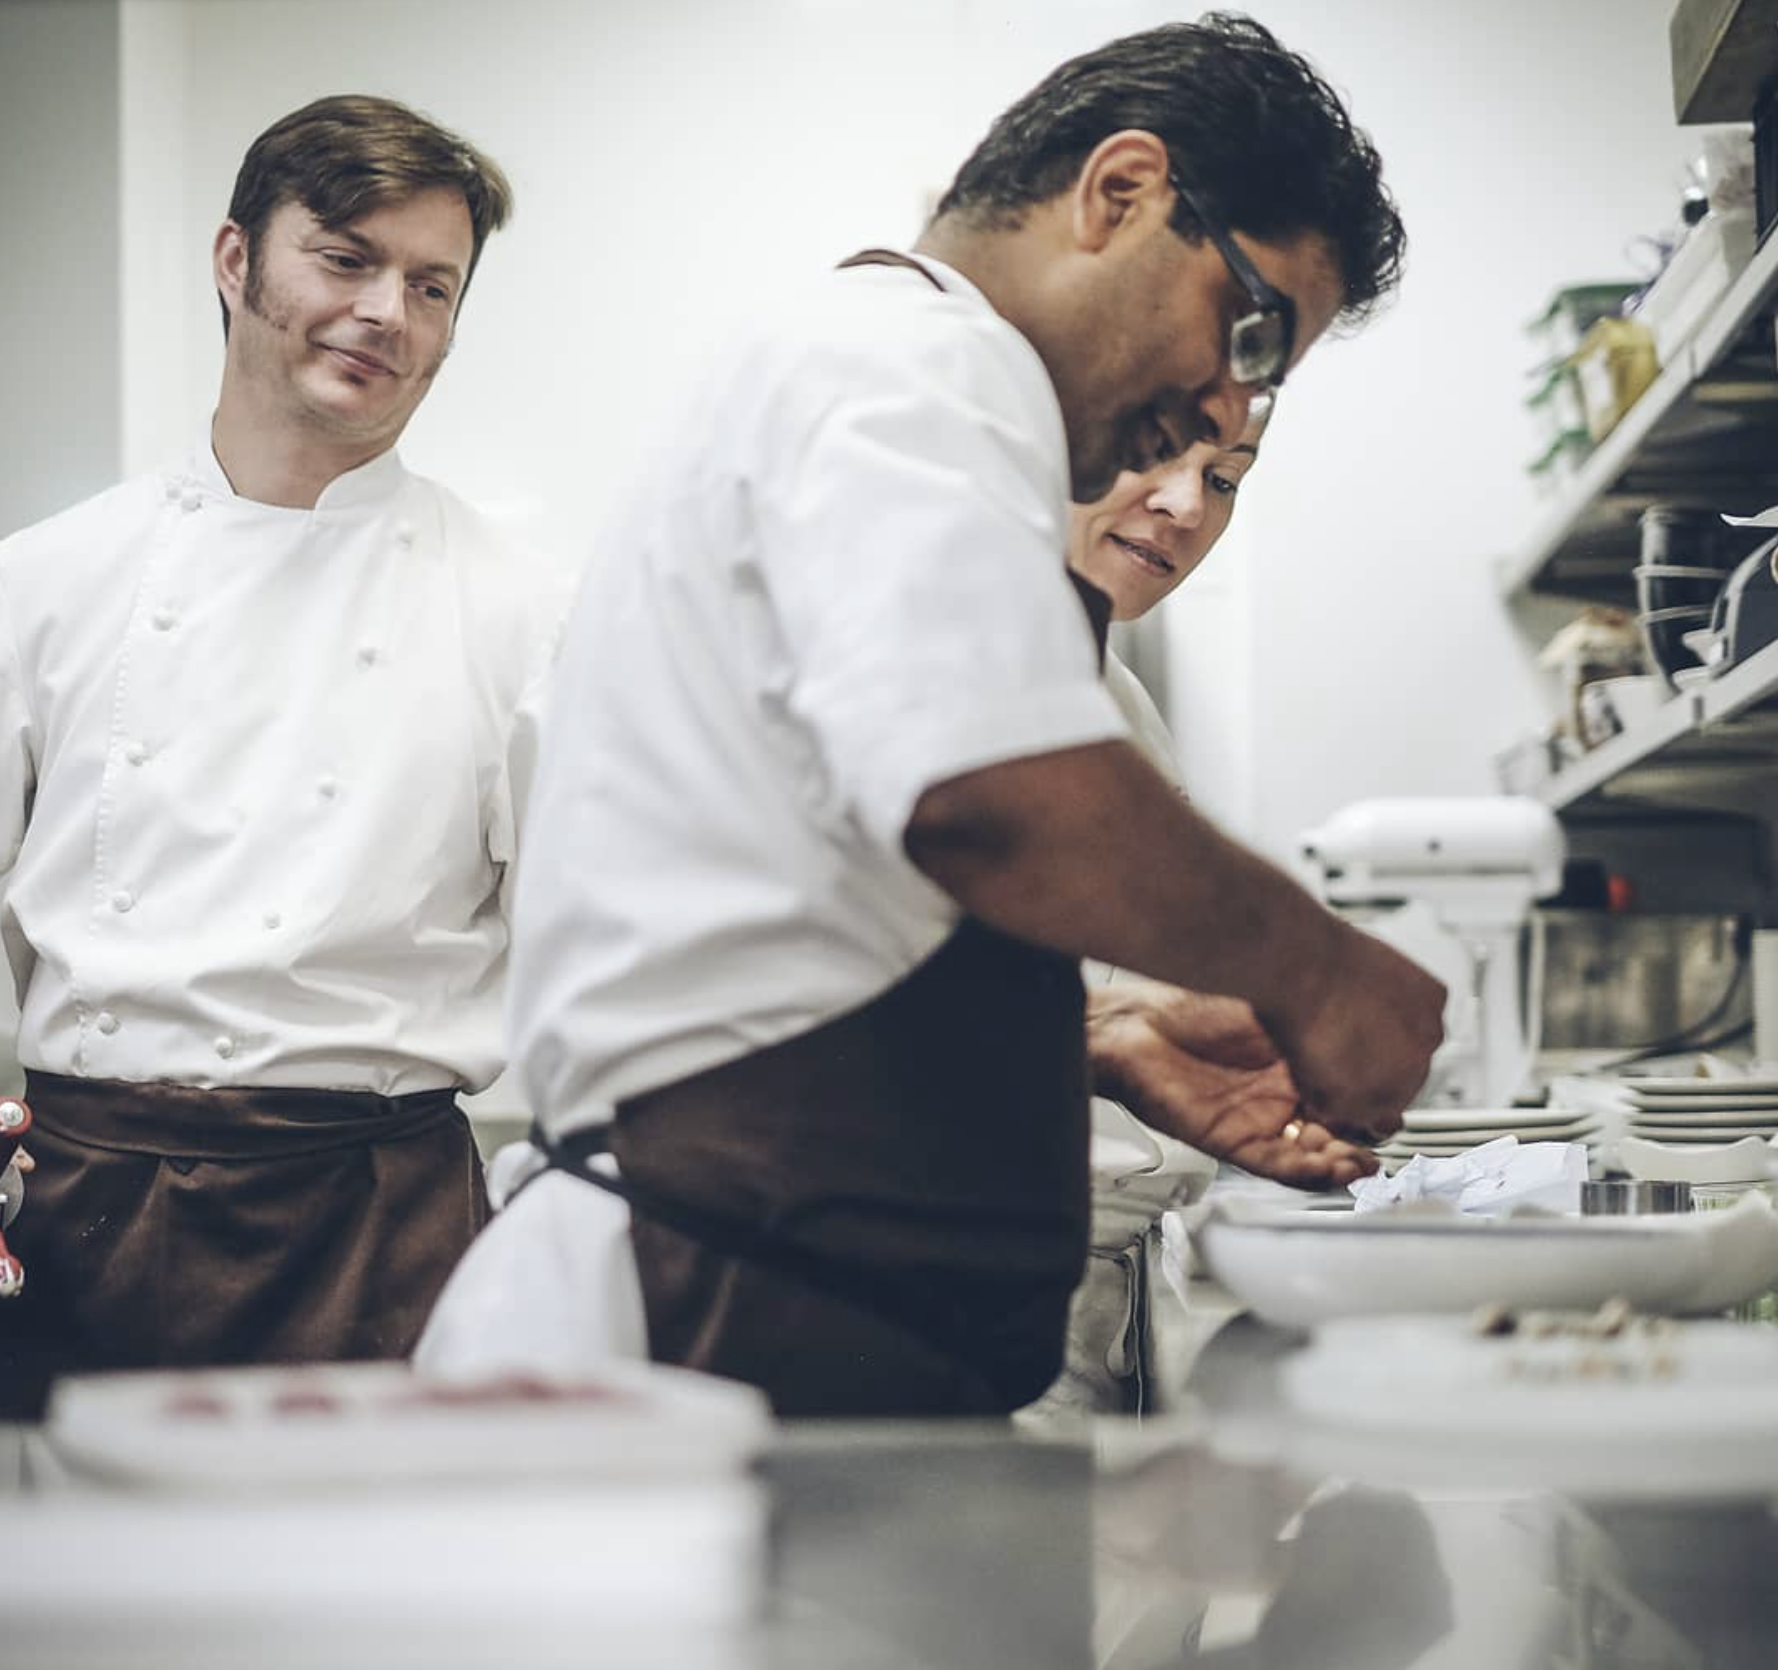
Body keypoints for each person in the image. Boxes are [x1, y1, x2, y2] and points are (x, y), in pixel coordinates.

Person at [428, 15, 1446, 1419]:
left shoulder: (901, 385)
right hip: (704, 1322)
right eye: (1248, 329)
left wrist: (1085, 1043)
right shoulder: (909, 367)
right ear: (1121, 194)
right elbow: (990, 799)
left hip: (776, 1307)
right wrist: (1325, 972)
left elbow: (796, 915)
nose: (1222, 405)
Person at [0, 95, 564, 1417]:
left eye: (434, 286)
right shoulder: (43, 582)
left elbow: (594, 951)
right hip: (89, 1203)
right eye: (348, 257)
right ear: (235, 259)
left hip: (378, 1215)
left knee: (371, 1613)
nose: (389, 314)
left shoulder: (523, 609)